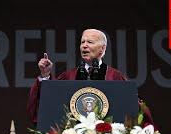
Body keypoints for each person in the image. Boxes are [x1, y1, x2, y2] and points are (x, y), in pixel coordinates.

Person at [27, 29, 155, 128]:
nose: (84, 46)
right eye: (82, 42)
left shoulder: (115, 77)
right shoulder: (69, 76)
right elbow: (50, 102)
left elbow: (133, 108)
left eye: (90, 42)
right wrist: (45, 75)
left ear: (102, 49)